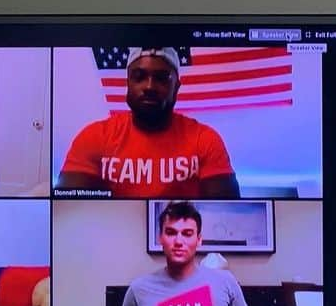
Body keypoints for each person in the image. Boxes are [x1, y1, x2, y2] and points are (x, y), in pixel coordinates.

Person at [56, 47, 240, 198]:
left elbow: (224, 211)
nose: (149, 86)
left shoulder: (205, 139)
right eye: (139, 76)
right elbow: (69, 209)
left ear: (176, 87)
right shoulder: (94, 137)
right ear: (128, 82)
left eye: (161, 78)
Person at [109, 201, 262, 306]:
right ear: (160, 238)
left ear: (199, 240)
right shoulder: (139, 288)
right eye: (171, 233)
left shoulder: (225, 281)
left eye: (187, 234)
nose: (178, 241)